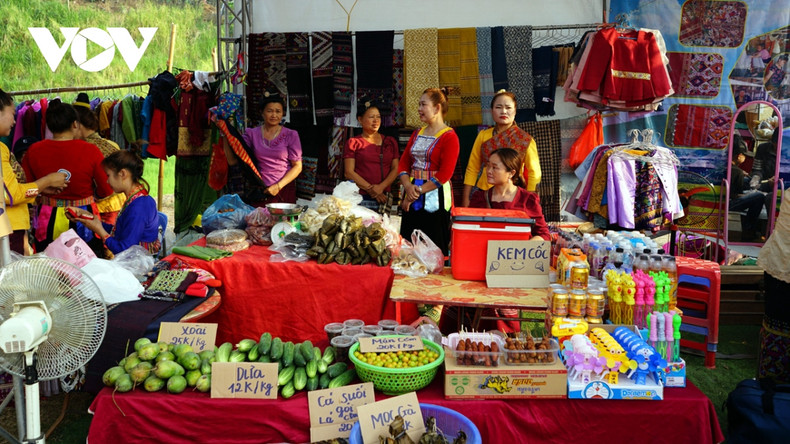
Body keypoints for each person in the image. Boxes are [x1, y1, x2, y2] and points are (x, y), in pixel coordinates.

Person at [22, 100, 115, 254]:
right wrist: (95, 196)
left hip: (47, 219)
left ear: (50, 126)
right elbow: (106, 189)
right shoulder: (90, 150)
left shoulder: (34, 150)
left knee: (50, 268)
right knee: (87, 267)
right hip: (83, 219)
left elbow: (27, 188)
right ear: (74, 124)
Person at [0, 88, 68, 255]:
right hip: (8, 229)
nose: (15, 121)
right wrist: (46, 181)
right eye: (12, 113)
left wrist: (40, 188)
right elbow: (11, 195)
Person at [398, 88, 460, 255]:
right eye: (419, 104)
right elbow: (403, 164)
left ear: (437, 108)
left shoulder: (449, 137)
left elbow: (445, 174)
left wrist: (417, 191)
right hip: (412, 193)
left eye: (423, 104)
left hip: (434, 196)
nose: (419, 108)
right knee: (409, 242)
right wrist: (408, 188)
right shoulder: (417, 133)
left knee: (433, 243)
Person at [67, 150, 159, 256]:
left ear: (122, 174)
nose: (107, 181)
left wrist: (100, 231)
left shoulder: (139, 206)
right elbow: (120, 231)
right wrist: (90, 219)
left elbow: (125, 250)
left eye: (108, 175)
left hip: (138, 267)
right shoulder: (136, 198)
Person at [461, 89, 540, 208]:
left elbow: (534, 173)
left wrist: (529, 199)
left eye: (508, 108)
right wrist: (466, 198)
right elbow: (472, 168)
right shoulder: (483, 136)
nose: (503, 111)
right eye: (498, 107)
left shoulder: (525, 140)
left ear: (515, 111)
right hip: (485, 193)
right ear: (492, 111)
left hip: (513, 196)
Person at [225, 92, 302, 205]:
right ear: (262, 113)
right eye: (269, 111)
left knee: (282, 222)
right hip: (260, 190)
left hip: (283, 189)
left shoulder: (291, 135)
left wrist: (278, 186)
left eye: (278, 111)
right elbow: (233, 160)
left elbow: (297, 166)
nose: (274, 115)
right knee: (258, 222)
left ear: (283, 114)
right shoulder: (251, 134)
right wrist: (224, 133)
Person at [469, 148, 551, 241]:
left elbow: (544, 235)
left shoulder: (527, 199)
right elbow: (469, 229)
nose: (489, 171)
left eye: (494, 167)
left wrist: (523, 247)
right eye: (488, 166)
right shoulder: (479, 198)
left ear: (511, 173)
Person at [73, 93, 125, 225]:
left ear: (77, 125)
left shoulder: (84, 149)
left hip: (102, 209)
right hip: (121, 203)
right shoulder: (112, 144)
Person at [756, 186, 790, 383]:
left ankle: (769, 390)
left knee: (775, 335)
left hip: (779, 268)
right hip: (781, 270)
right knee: (776, 334)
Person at [344, 100, 400, 213]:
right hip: (360, 197)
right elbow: (348, 172)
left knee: (382, 229)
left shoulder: (390, 142)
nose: (376, 121)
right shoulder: (354, 142)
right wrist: (372, 190)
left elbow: (396, 168)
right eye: (371, 117)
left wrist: (380, 188)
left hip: (383, 196)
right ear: (360, 119)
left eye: (378, 117)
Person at [729, 136, 766, 242]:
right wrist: (751, 194)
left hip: (721, 197)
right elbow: (735, 195)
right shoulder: (737, 172)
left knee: (747, 182)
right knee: (758, 197)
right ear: (739, 156)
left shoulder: (731, 168)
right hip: (728, 203)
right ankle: (749, 231)